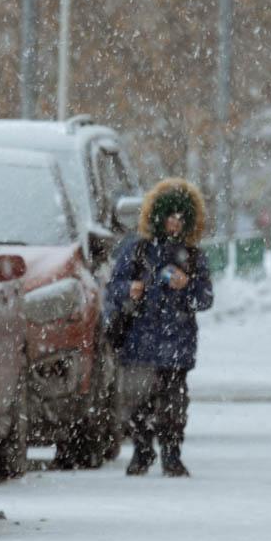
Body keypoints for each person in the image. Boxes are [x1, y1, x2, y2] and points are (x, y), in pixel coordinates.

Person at [104, 178, 215, 477]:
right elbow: (113, 288)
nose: (175, 224)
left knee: (174, 402)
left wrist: (187, 284)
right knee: (138, 400)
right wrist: (131, 288)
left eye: (181, 218)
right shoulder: (136, 251)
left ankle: (171, 452)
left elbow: (205, 299)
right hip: (139, 339)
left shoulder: (193, 257)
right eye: (170, 216)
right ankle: (142, 450)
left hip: (176, 342)